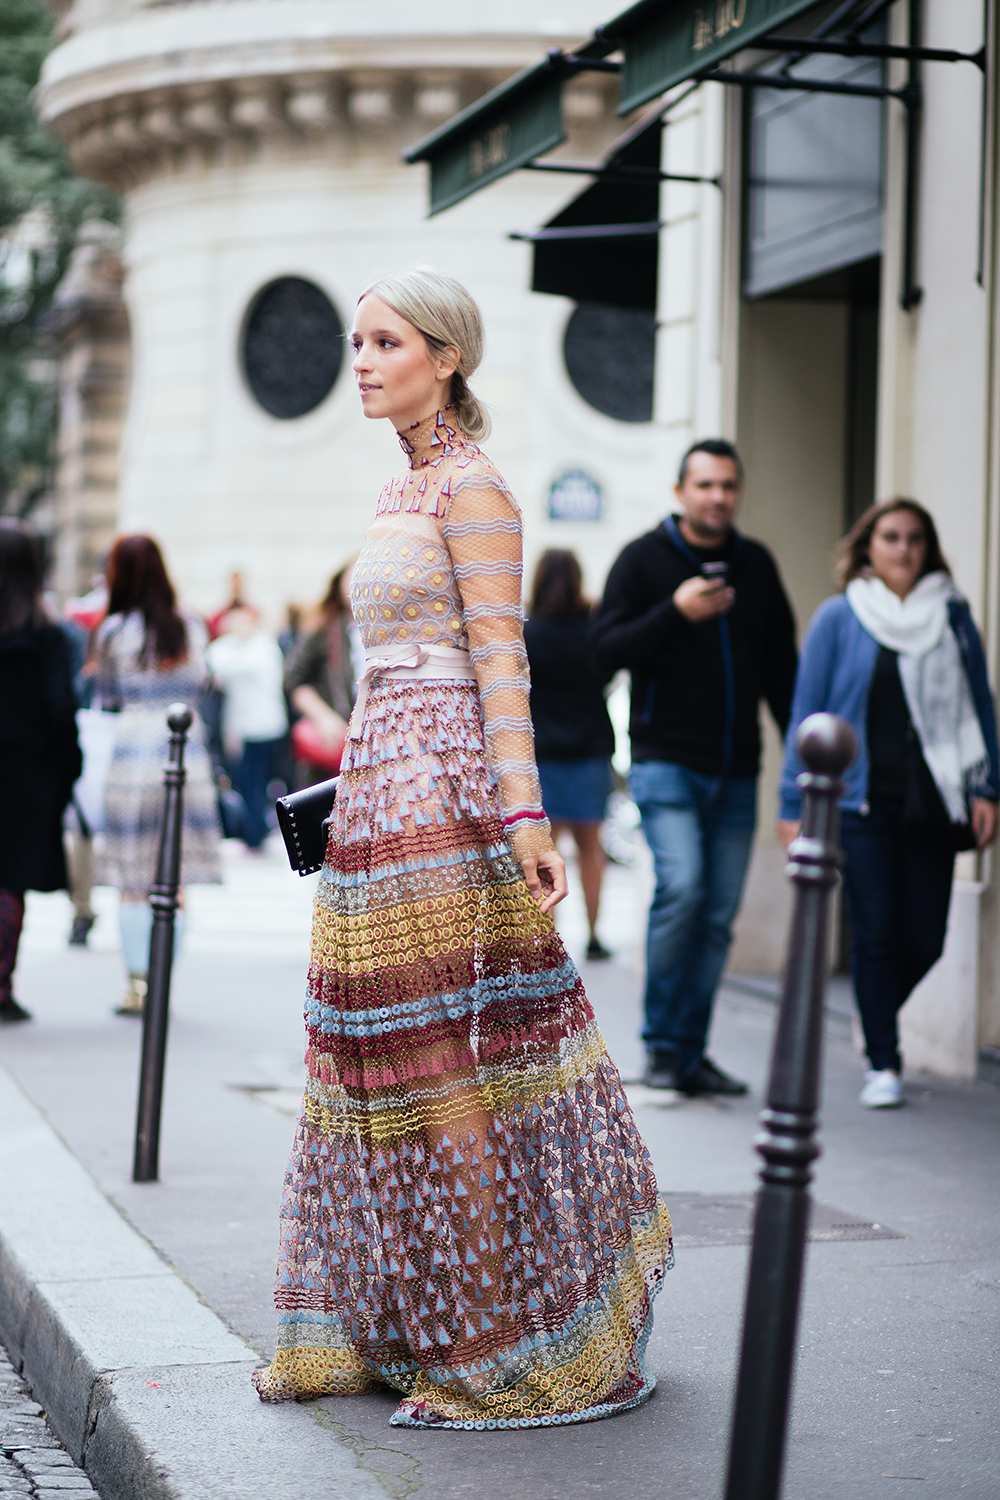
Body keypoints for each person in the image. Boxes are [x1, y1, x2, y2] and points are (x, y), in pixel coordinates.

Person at [251, 267, 672, 1428]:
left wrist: (527, 818)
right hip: (383, 792)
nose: (362, 358)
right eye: (355, 340)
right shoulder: (403, 490)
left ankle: (487, 1348)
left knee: (442, 1067)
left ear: (446, 356)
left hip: (445, 799)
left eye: (386, 341)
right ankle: (416, 1324)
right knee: (373, 1060)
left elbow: (501, 663)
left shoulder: (475, 491)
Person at [591, 438, 797, 1096]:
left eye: (728, 486)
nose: (718, 497)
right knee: (681, 889)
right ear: (680, 492)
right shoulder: (643, 560)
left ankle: (690, 1051)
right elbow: (603, 652)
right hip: (666, 763)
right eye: (705, 485)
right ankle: (660, 1042)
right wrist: (672, 613)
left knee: (716, 915)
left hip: (738, 768)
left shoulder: (755, 565)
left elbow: (781, 671)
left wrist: (802, 758)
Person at [778, 499, 999, 1109]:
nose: (903, 549)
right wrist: (791, 799)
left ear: (927, 548)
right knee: (875, 933)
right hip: (860, 804)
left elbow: (979, 704)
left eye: (915, 539)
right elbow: (808, 713)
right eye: (891, 537)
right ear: (867, 547)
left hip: (932, 800)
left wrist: (987, 787)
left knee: (926, 936)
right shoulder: (839, 616)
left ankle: (875, 1013)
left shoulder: (952, 616)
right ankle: (885, 1060)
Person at [95, 535, 222, 1014]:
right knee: (174, 876)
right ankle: (163, 981)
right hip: (184, 749)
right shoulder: (189, 623)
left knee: (132, 876)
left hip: (131, 752)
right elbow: (206, 680)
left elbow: (106, 694)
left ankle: (137, 985)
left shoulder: (113, 631)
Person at [0, 522, 82, 1023]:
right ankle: (1, 983)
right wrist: (65, 770)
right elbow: (59, 707)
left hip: (25, 771)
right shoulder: (48, 636)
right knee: (10, 883)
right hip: (26, 776)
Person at [524, 548, 615, 961]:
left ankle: (549, 938)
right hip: (591, 748)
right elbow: (609, 675)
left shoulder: (528, 634)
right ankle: (595, 936)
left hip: (542, 752)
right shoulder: (594, 632)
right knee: (591, 848)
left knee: (546, 851)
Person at [206, 606, 288, 851]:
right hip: (244, 727)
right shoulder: (239, 649)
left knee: (254, 781)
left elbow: (223, 664)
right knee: (247, 780)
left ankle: (255, 833)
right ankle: (255, 830)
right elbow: (214, 658)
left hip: (263, 727)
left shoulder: (263, 648)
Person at [283, 562, 359, 786]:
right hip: (332, 753)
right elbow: (293, 680)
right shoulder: (324, 628)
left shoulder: (389, 630)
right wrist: (323, 717)